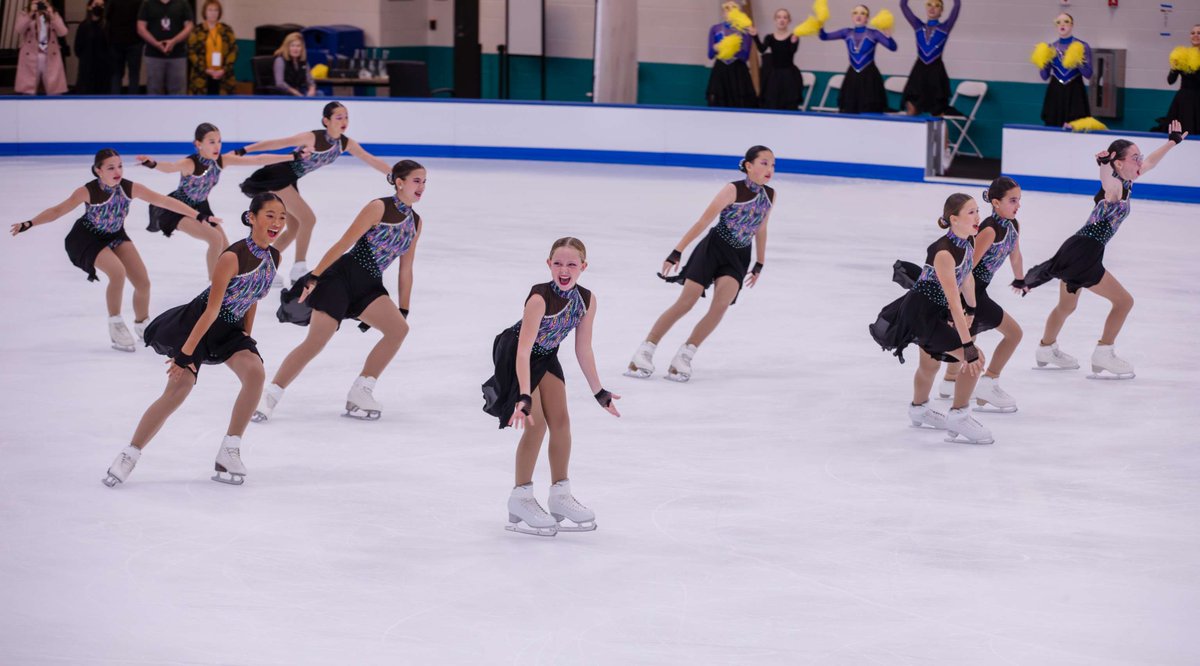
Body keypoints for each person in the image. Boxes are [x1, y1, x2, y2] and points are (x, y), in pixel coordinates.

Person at [101, 194, 285, 488]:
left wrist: (246, 337)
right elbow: (211, 309)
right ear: (251, 217)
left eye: (282, 217)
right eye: (270, 216)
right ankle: (129, 454)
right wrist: (185, 356)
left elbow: (252, 299)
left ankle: (229, 450)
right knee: (178, 388)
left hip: (230, 328)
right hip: (198, 324)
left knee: (255, 372)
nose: (277, 223)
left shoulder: (273, 257)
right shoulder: (231, 256)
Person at [253, 161, 426, 423]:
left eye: (424, 182)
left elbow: (406, 269)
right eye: (416, 180)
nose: (421, 187)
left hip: (370, 284)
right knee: (316, 341)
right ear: (399, 182)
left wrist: (403, 308)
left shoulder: (415, 222)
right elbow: (344, 242)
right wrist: (315, 276)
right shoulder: (378, 207)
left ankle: (361, 390)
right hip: (342, 277)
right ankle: (270, 396)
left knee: (398, 329)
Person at [1024, 122, 1188, 379]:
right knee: (1124, 302)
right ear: (1119, 164)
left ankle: (1046, 348)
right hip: (1085, 253)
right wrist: (1102, 165)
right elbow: (1107, 180)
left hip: (1076, 248)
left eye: (1139, 157)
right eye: (1135, 158)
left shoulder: (1127, 179)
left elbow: (1151, 163)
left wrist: (1172, 142)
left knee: (1067, 307)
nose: (1140, 162)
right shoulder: (1115, 187)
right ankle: (1103, 353)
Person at [481, 237, 620, 536]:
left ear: (583, 266)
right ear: (549, 265)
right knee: (537, 425)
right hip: (516, 354)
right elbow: (522, 350)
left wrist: (599, 392)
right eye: (558, 263)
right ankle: (520, 498)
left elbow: (584, 349)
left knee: (562, 422)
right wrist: (523, 396)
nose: (564, 269)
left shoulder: (586, 299)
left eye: (572, 264)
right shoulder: (539, 298)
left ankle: (560, 496)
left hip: (546, 355)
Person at [10, 149, 211, 352]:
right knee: (117, 273)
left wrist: (198, 215)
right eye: (111, 167)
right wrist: (29, 223)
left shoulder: (128, 188)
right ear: (98, 171)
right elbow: (57, 210)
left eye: (120, 166)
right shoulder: (87, 191)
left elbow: (164, 201)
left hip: (115, 235)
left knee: (143, 281)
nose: (117, 171)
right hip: (87, 238)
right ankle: (115, 324)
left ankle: (143, 324)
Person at [626, 146, 775, 382]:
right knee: (687, 302)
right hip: (713, 249)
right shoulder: (732, 189)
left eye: (773, 165)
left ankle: (684, 356)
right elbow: (704, 221)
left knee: (721, 305)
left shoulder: (770, 195)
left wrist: (759, 263)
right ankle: (645, 350)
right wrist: (677, 251)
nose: (770, 169)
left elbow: (761, 229)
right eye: (764, 163)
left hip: (739, 256)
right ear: (749, 165)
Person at [869, 193, 993, 445]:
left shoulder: (967, 242)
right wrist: (967, 345)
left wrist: (972, 308)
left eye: (977, 210)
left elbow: (966, 278)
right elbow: (952, 299)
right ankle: (958, 416)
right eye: (971, 212)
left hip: (933, 309)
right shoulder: (944, 253)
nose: (977, 216)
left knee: (930, 364)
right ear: (953, 219)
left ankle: (920, 408)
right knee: (975, 359)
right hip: (922, 313)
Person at [237, 101, 393, 284]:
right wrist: (245, 149)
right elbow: (277, 143)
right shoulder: (311, 137)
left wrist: (392, 174)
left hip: (290, 180)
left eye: (346, 117)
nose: (344, 121)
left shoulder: (345, 143)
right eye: (339, 117)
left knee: (295, 226)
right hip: (278, 175)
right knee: (308, 219)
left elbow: (369, 158)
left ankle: (263, 267)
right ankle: (299, 268)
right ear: (326, 121)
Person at [136, 123, 300, 277]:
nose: (217, 146)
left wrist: (291, 157)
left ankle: (228, 282)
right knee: (214, 239)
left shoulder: (222, 160)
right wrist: (152, 164)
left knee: (227, 249)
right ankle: (213, 286)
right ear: (198, 144)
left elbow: (257, 160)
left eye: (219, 141)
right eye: (212, 142)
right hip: (178, 209)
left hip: (202, 207)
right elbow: (170, 168)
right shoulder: (190, 163)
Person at [936, 177, 1026, 412]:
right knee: (1014, 333)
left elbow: (1015, 255)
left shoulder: (1013, 225)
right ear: (996, 203)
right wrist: (958, 302)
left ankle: (949, 383)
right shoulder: (988, 229)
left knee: (970, 340)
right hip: (971, 290)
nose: (1018, 205)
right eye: (1012, 200)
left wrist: (1020, 278)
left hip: (979, 290)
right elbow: (967, 266)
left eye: (1019, 200)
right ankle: (989, 381)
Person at [819, 5, 897, 114]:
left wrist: (889, 36)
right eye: (855, 13)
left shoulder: (874, 33)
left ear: (867, 18)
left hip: (870, 77)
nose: (858, 16)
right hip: (852, 77)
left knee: (869, 111)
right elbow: (824, 37)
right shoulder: (846, 32)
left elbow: (893, 47)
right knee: (850, 110)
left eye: (862, 13)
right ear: (852, 16)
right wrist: (820, 23)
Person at [898, 0, 960, 116]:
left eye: (937, 6)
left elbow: (957, 6)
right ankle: (910, 134)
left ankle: (941, 134)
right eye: (929, 5)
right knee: (911, 107)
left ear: (941, 11)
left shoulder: (945, 27)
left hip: (936, 71)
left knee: (938, 113)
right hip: (919, 71)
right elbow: (903, 5)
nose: (932, 8)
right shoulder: (918, 26)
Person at [1037, 13, 1092, 128]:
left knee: (1075, 127)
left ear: (1072, 25)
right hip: (1055, 91)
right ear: (1056, 26)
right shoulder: (1051, 47)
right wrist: (1043, 62)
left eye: (1066, 21)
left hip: (1075, 90)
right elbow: (1044, 76)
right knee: (1052, 125)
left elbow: (1088, 74)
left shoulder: (1082, 46)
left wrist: (1077, 61)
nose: (1062, 25)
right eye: (1059, 22)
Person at [706, 1, 757, 108]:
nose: (729, 12)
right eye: (726, 9)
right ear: (723, 13)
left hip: (737, 71)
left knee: (740, 102)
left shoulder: (744, 30)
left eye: (733, 9)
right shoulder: (715, 29)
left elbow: (745, 57)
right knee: (718, 101)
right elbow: (710, 55)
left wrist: (733, 48)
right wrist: (717, 47)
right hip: (720, 70)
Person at [137, 0, 193, 95]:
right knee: (154, 92)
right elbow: (140, 28)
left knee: (178, 94)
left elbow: (189, 27)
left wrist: (174, 41)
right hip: (153, 56)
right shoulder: (147, 3)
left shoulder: (183, 3)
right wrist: (156, 44)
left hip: (177, 55)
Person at [14, 0, 69, 96]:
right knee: (28, 91)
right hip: (30, 56)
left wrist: (52, 16)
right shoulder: (25, 13)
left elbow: (63, 32)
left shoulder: (53, 14)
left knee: (54, 90)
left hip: (50, 55)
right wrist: (30, 14)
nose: (39, 4)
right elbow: (19, 29)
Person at [754, 9, 804, 110]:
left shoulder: (793, 36)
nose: (782, 20)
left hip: (789, 76)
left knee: (789, 104)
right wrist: (755, 36)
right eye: (779, 17)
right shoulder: (769, 37)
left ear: (789, 21)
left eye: (785, 17)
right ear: (775, 20)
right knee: (772, 103)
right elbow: (761, 49)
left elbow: (792, 52)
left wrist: (794, 42)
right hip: (774, 76)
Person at [187, 0, 236, 96]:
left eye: (216, 10)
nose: (213, 13)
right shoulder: (197, 30)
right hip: (201, 76)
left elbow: (233, 50)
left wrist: (224, 69)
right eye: (210, 10)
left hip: (223, 76)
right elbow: (191, 51)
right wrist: (205, 69)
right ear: (205, 12)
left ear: (219, 13)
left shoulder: (227, 30)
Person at [1165, 25, 1200, 135]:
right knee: (1182, 130)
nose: (1195, 35)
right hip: (1184, 101)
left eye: (1199, 33)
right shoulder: (1182, 54)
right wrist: (1174, 67)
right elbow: (1170, 80)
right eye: (1193, 33)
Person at [74, 0, 113, 95]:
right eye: (96, 4)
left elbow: (110, 47)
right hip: (87, 68)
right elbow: (77, 48)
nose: (99, 7)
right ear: (89, 7)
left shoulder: (107, 26)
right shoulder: (83, 26)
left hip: (103, 69)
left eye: (102, 5)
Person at [105, 0, 143, 93]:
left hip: (116, 41)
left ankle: (115, 102)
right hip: (135, 41)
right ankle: (133, 102)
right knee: (134, 75)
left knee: (116, 74)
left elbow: (107, 17)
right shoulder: (139, 2)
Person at [273, 32, 318, 97]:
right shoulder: (280, 60)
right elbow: (280, 83)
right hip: (284, 94)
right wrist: (296, 93)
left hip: (300, 92)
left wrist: (312, 89)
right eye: (292, 46)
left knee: (319, 93)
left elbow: (310, 80)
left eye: (298, 46)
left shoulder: (304, 62)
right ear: (287, 47)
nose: (295, 49)